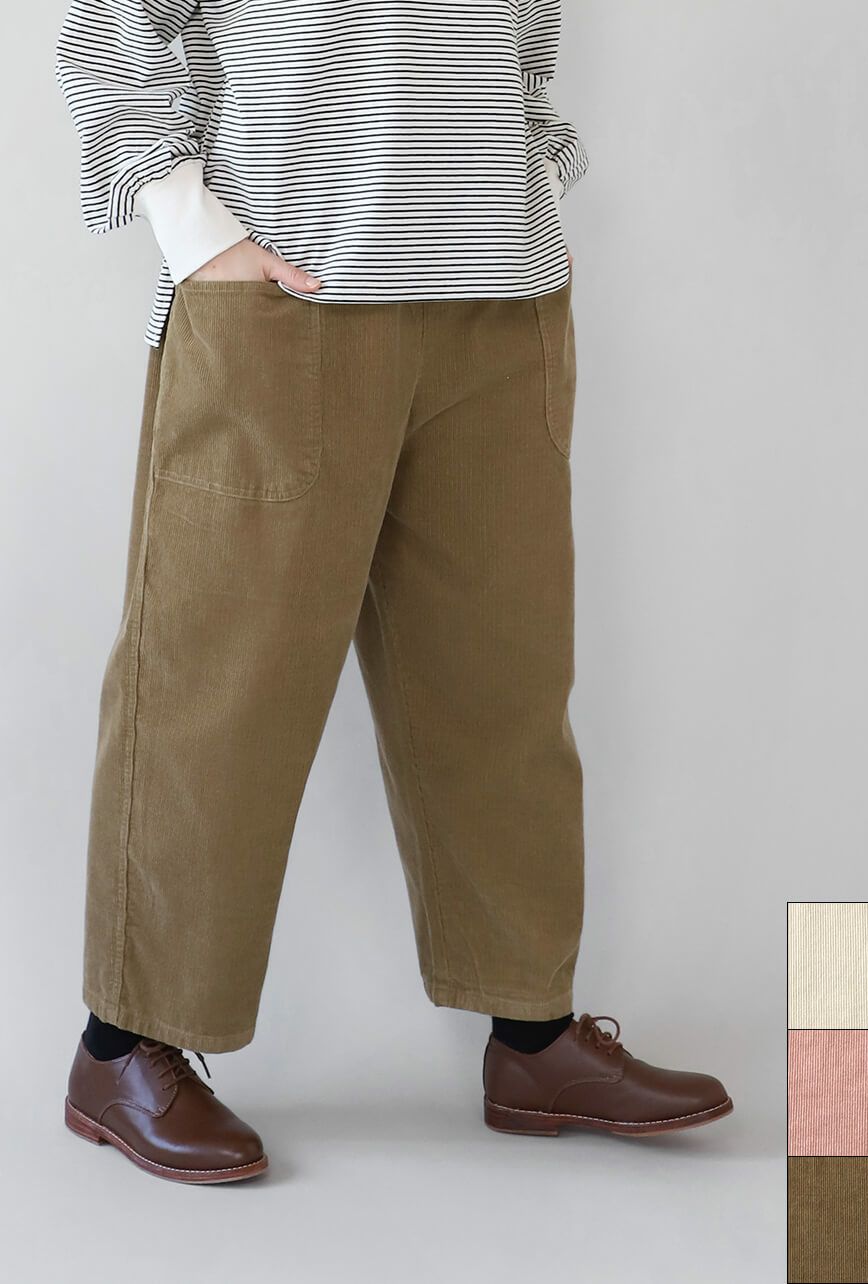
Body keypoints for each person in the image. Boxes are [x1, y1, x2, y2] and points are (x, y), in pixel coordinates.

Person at [54, 0, 732, 1185]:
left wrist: (533, 180)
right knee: (218, 684)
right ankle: (122, 1047)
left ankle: (531, 1035)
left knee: (501, 683)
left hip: (501, 299)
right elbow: (111, 21)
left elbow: (520, 26)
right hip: (286, 294)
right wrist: (191, 228)